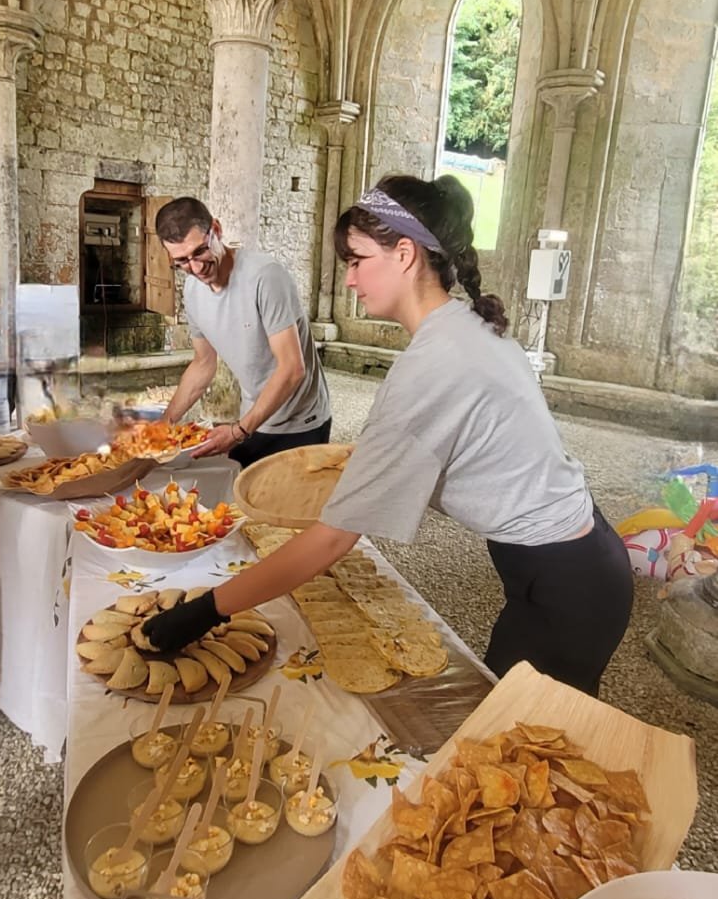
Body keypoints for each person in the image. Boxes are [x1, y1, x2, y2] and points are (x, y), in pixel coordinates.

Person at [146, 175, 633, 695]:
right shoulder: (464, 327)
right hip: (571, 561)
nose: (350, 280)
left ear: (404, 253)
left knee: (514, 742)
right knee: (502, 716)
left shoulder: (432, 365)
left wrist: (205, 611)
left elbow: (334, 537)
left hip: (568, 580)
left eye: (356, 260)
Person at [154, 197, 331, 467]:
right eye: (182, 261)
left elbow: (293, 369)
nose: (197, 268)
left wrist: (238, 431)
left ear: (216, 229)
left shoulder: (265, 277)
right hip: (254, 415)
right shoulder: (192, 291)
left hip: (299, 423)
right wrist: (164, 424)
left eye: (200, 251)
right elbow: (203, 363)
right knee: (240, 501)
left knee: (283, 507)